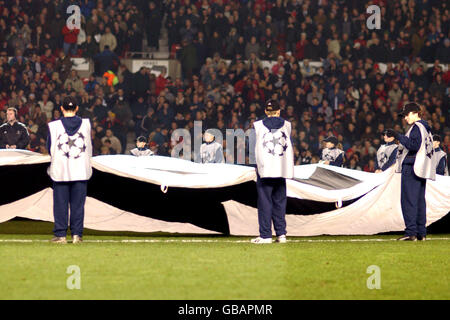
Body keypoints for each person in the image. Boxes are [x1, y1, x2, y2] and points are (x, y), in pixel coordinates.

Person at [46, 97, 93, 244]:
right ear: (77, 108)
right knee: (78, 205)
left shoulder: (53, 126)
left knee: (60, 204)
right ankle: (76, 235)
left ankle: (60, 235)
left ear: (61, 108)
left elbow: (49, 147)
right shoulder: (86, 124)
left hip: (61, 170)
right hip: (80, 170)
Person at [251, 100, 294, 244]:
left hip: (265, 170)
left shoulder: (257, 126)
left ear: (265, 111)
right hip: (281, 169)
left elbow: (254, 148)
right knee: (280, 202)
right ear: (279, 111)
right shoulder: (287, 125)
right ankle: (281, 234)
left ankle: (265, 235)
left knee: (265, 203)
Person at [392, 102, 435, 241]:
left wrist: (398, 136)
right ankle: (421, 232)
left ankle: (411, 232)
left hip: (413, 166)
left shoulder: (417, 127)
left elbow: (414, 145)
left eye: (407, 114)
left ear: (415, 113)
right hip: (421, 168)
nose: (405, 118)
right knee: (419, 201)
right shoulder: (425, 127)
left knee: (409, 200)